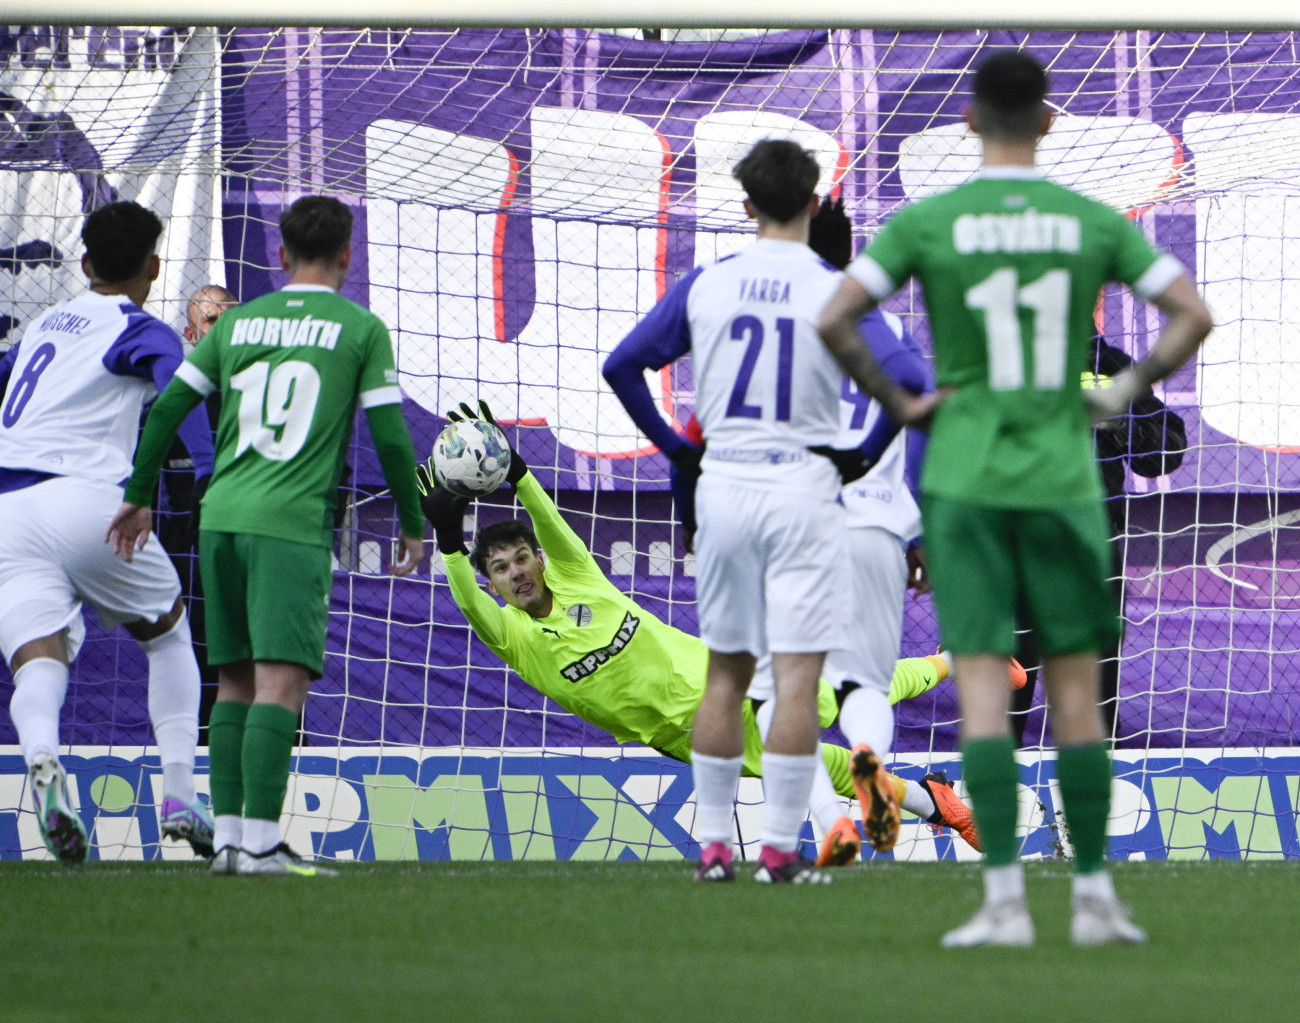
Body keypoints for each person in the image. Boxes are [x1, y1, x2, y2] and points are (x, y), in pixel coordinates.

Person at [818, 50, 1213, 945]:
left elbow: (837, 317)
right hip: (1065, 493)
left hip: (969, 487)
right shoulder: (1084, 221)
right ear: (1045, 122)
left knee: (988, 695)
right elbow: (1192, 312)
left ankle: (1000, 901)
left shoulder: (931, 220)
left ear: (966, 120)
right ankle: (1094, 898)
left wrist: (909, 403)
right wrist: (1122, 388)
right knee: (1080, 698)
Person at [417, 403, 982, 868]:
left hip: (722, 686)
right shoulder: (513, 637)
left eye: (521, 559)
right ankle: (941, 806)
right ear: (492, 583)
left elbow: (550, 523)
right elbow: (466, 600)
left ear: (540, 561)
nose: (515, 573)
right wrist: (446, 539)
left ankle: (955, 663)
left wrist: (517, 473)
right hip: (689, 738)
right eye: (500, 569)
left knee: (837, 698)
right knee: (828, 768)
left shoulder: (581, 580)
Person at [603, 138, 934, 884]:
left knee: (727, 674)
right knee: (797, 677)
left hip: (726, 487)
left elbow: (622, 365)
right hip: (804, 494)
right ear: (814, 202)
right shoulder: (833, 289)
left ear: (746, 205)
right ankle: (780, 845)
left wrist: (675, 450)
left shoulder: (708, 283)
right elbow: (910, 379)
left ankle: (716, 844)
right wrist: (860, 451)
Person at [107, 195, 426, 877]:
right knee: (281, 685)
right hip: (289, 523)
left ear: (280, 257)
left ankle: (228, 841)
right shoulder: (359, 327)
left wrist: (138, 495)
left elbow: (167, 406)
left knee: (232, 684)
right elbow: (393, 437)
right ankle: (258, 843)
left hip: (218, 517)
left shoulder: (238, 324)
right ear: (347, 256)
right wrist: (410, 517)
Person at [0, 200, 218, 863]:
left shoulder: (40, 325)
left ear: (86, 263)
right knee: (169, 631)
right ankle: (179, 790)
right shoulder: (141, 327)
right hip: (88, 501)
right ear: (154, 267)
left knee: (38, 656)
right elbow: (178, 394)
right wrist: (206, 472)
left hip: (8, 510)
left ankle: (42, 759)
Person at [1009, 333, 1187, 747]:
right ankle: (988, 796)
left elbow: (1167, 450)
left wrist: (1118, 419)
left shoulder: (1111, 365)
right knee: (1006, 684)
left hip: (1092, 548)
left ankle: (1094, 797)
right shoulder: (1005, 353)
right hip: (1017, 544)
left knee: (1092, 693)